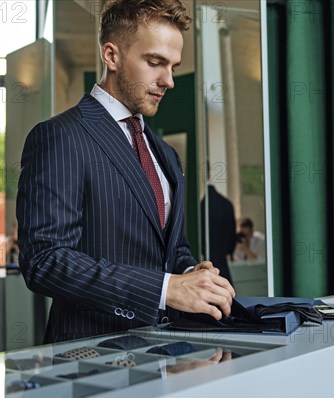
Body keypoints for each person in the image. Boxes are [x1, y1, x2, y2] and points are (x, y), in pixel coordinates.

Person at [16, 0, 235, 343]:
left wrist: (192, 273)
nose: (169, 81)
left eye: (173, 67)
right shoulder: (60, 136)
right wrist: (165, 289)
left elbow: (172, 250)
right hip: (88, 360)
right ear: (112, 56)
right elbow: (45, 261)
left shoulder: (166, 155)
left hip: (166, 355)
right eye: (154, 62)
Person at [200, 183, 236, 285]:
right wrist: (230, 249)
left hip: (209, 254)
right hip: (222, 254)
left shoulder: (202, 206)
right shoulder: (226, 204)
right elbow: (232, 233)